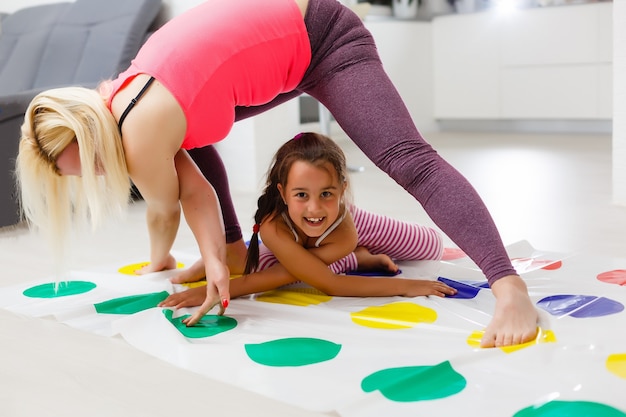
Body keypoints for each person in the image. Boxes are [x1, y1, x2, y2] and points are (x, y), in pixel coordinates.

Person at [15, 0, 537, 346]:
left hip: (325, 37)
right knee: (195, 140)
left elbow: (168, 203)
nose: (92, 177)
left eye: (86, 165)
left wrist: (198, 264)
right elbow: (193, 179)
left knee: (408, 161)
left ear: (88, 133)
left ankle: (509, 287)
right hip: (287, 44)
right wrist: (214, 257)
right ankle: (238, 246)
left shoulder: (139, 131)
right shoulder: (125, 97)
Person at [160, 132, 457, 307]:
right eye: (301, 194)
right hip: (310, 241)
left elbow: (329, 284)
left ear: (342, 189)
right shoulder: (273, 225)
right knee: (273, 264)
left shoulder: (344, 231)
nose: (314, 208)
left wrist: (407, 286)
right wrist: (210, 292)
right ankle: (361, 260)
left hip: (349, 225)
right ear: (283, 192)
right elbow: (276, 276)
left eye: (326, 193)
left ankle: (358, 255)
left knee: (429, 245)